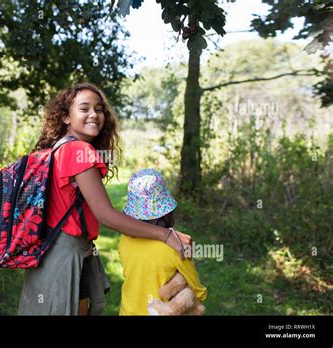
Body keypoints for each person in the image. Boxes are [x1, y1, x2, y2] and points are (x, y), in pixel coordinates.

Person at [18, 82, 192, 315]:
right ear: (66, 117)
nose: (94, 115)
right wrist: (165, 234)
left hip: (54, 252)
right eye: (84, 108)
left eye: (99, 109)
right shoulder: (78, 151)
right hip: (65, 256)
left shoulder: (60, 148)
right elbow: (106, 215)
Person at [118, 169, 207, 315]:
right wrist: (200, 296)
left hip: (128, 310)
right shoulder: (175, 246)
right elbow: (193, 281)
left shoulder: (124, 240)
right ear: (166, 212)